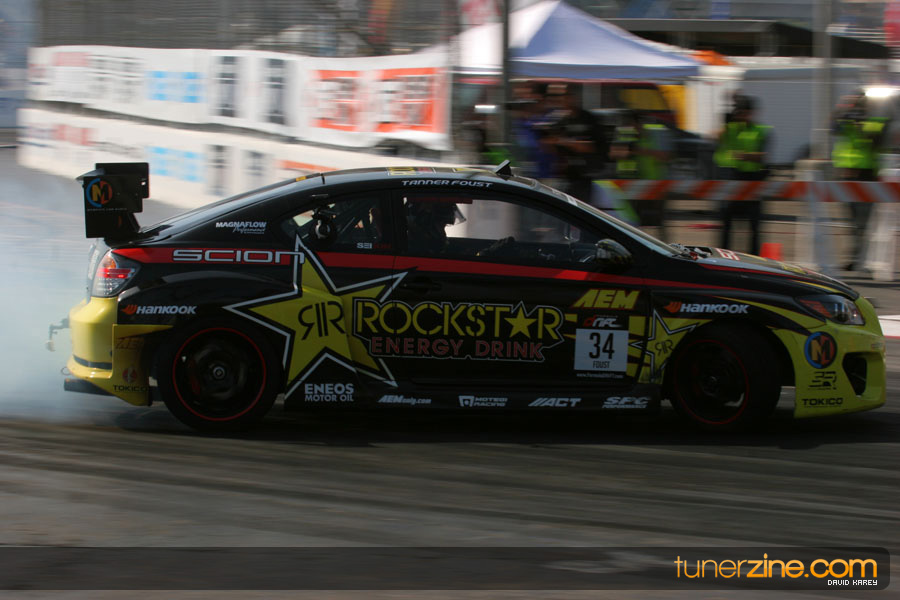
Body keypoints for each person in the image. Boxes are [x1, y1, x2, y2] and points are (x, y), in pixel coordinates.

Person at [832, 92, 889, 271]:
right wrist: (841, 111)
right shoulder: (845, 121)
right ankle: (855, 258)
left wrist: (861, 123)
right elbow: (833, 127)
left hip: (866, 175)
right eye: (852, 104)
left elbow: (875, 142)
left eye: (858, 105)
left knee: (863, 222)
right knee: (850, 221)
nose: (855, 108)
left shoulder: (876, 123)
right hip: (846, 175)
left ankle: (861, 260)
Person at [714, 95, 771, 255]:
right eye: (738, 112)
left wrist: (744, 156)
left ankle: (755, 258)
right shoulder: (730, 129)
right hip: (731, 178)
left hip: (753, 179)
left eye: (744, 112)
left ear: (751, 112)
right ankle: (724, 258)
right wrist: (725, 123)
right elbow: (715, 137)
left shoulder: (761, 130)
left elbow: (763, 156)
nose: (741, 115)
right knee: (726, 225)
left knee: (754, 226)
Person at [544, 83, 607, 202]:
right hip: (565, 177)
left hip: (584, 177)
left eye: (564, 96)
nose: (560, 99)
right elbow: (550, 147)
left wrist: (566, 142)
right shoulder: (558, 120)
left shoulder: (588, 118)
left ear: (573, 97)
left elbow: (593, 146)